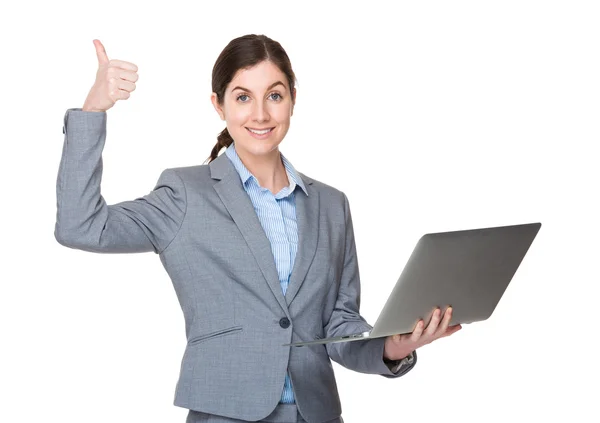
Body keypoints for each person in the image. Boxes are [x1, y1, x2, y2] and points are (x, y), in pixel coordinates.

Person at [55, 34, 462, 423]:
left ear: (293, 100)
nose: (261, 114)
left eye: (275, 95)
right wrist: (93, 110)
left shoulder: (331, 205)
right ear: (218, 105)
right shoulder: (184, 195)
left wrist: (395, 346)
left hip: (317, 414)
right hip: (225, 412)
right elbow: (81, 226)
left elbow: (339, 327)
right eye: (243, 97)